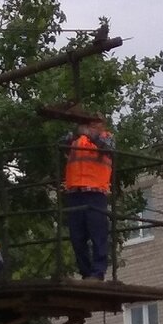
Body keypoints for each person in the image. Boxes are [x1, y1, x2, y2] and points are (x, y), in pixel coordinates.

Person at [61, 115, 115, 280]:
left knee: (98, 234)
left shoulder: (107, 137)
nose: (91, 127)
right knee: (77, 237)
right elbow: (60, 144)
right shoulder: (75, 140)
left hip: (95, 193)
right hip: (75, 193)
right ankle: (86, 272)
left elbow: (109, 149)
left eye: (94, 124)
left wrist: (90, 135)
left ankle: (98, 272)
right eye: (88, 124)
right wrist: (74, 134)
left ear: (101, 125)